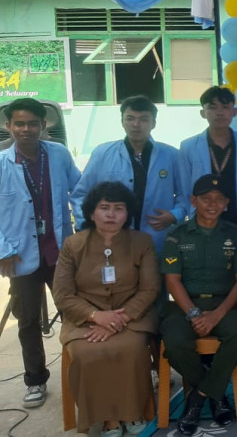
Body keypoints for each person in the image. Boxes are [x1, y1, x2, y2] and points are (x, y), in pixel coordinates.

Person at [53, 182, 159, 436]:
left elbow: (150, 289)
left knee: (131, 349)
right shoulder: (73, 245)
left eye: (118, 208)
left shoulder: (142, 242)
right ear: (91, 213)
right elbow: (62, 294)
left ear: (127, 213)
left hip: (133, 318)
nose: (111, 214)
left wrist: (117, 320)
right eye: (104, 208)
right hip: (85, 321)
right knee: (87, 353)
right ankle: (108, 419)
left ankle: (131, 413)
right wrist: (95, 316)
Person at [0, 97, 81, 408]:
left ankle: (81, 371)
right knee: (28, 321)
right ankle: (35, 380)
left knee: (75, 312)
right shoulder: (2, 163)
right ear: (8, 126)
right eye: (19, 123)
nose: (26, 129)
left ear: (44, 125)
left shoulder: (58, 155)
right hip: (20, 256)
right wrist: (3, 250)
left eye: (32, 123)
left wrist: (84, 232)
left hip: (60, 251)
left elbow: (80, 188)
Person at [159, 175, 237, 435]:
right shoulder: (176, 235)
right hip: (184, 305)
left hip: (224, 305)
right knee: (175, 343)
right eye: (205, 198)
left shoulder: (236, 235)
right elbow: (172, 280)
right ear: (193, 201)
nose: (212, 204)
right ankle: (216, 394)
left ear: (226, 203)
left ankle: (198, 398)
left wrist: (215, 316)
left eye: (218, 199)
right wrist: (193, 313)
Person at [71, 95, 185, 253]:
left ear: (153, 123)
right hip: (110, 237)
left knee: (153, 276)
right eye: (130, 118)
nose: (136, 125)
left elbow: (185, 195)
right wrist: (86, 224)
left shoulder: (171, 155)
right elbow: (81, 194)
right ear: (122, 121)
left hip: (158, 236)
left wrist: (175, 215)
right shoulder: (103, 153)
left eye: (144, 119)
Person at [179, 86, 237, 240]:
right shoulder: (188, 146)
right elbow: (185, 189)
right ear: (203, 113)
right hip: (203, 223)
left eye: (225, 107)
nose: (220, 112)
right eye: (212, 107)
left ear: (234, 112)